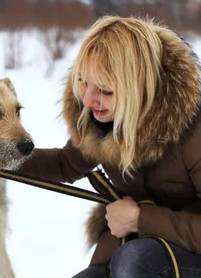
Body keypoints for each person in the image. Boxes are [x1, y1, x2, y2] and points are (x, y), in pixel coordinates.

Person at [18, 15, 201, 277]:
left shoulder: (195, 129)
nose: (90, 100)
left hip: (182, 256)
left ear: (139, 89)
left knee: (135, 261)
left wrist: (141, 219)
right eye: (84, 82)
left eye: (105, 90)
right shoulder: (102, 120)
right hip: (130, 248)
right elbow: (66, 163)